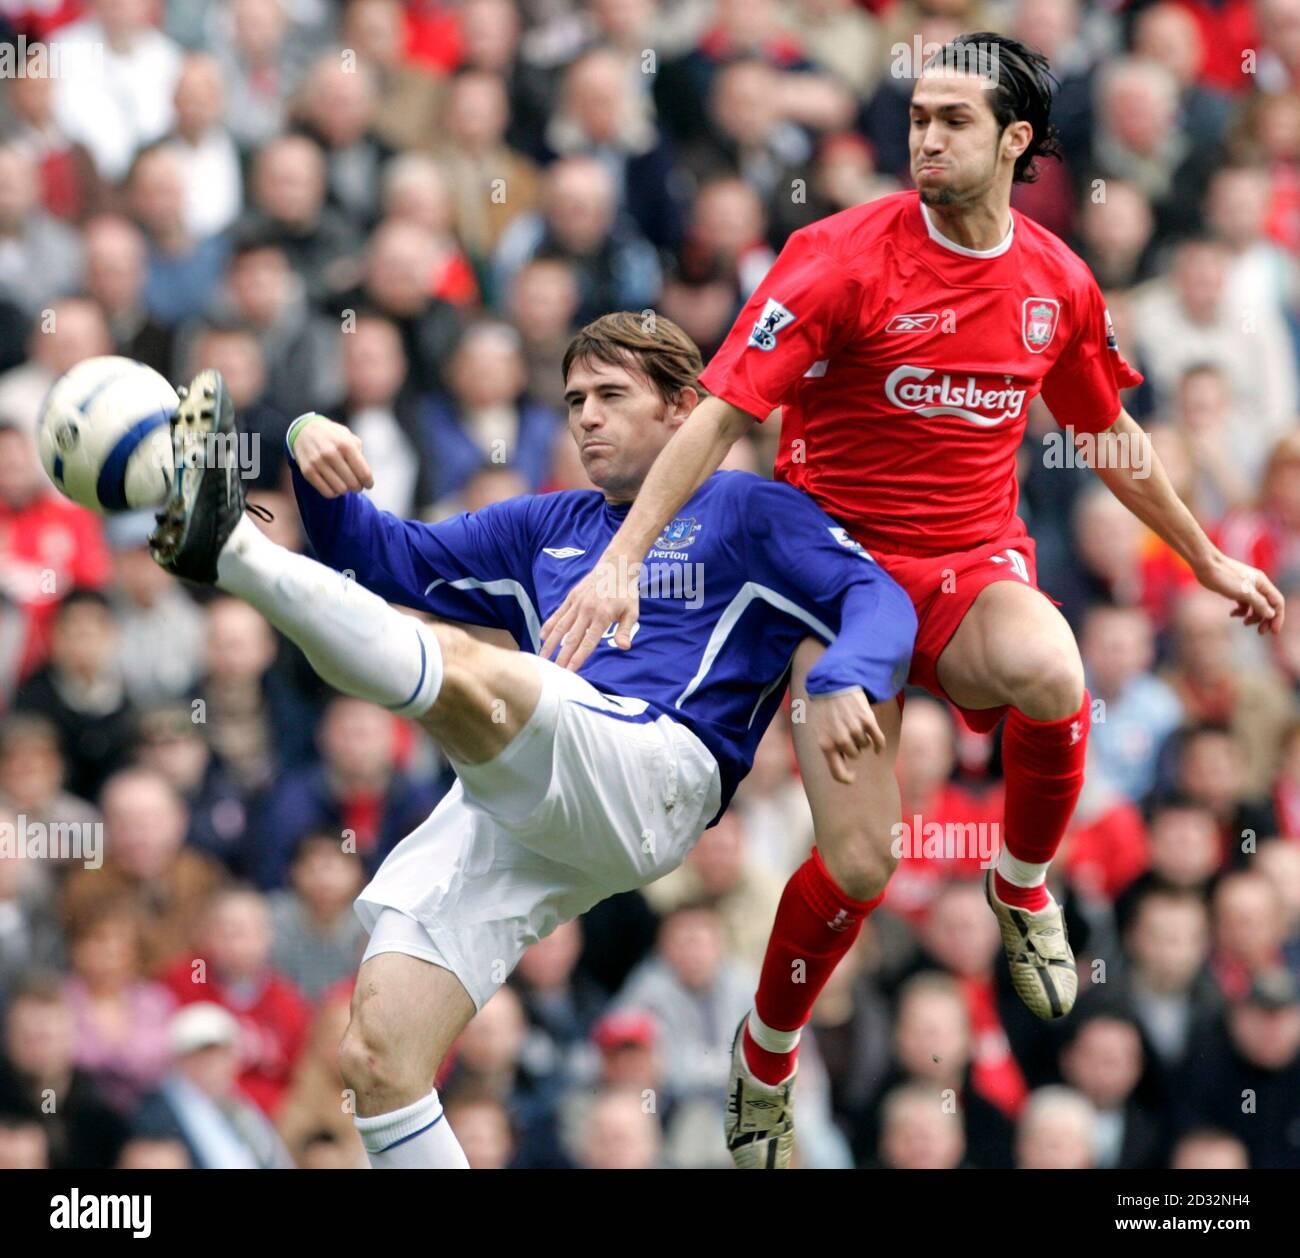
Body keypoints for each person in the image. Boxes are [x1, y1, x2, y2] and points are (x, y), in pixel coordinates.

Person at [538, 31, 1286, 1168]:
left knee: (1054, 670)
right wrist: (623, 556)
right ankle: (765, 1058)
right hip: (833, 585)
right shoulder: (838, 257)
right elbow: (723, 409)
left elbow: (1104, 431)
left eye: (952, 121)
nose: (924, 137)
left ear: (1015, 140)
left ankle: (1022, 884)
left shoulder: (1054, 280)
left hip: (970, 568)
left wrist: (1202, 557)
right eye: (917, 117)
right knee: (863, 865)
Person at [144, 311, 917, 1170]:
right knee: (379, 1057)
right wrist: (306, 446)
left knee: (480, 673)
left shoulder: (749, 511)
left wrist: (848, 673)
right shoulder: (547, 524)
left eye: (611, 395)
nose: (584, 415)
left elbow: (879, 600)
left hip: (658, 772)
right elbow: (381, 561)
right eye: (574, 397)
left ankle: (232, 549)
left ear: (684, 409)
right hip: (528, 802)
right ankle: (232, 546)